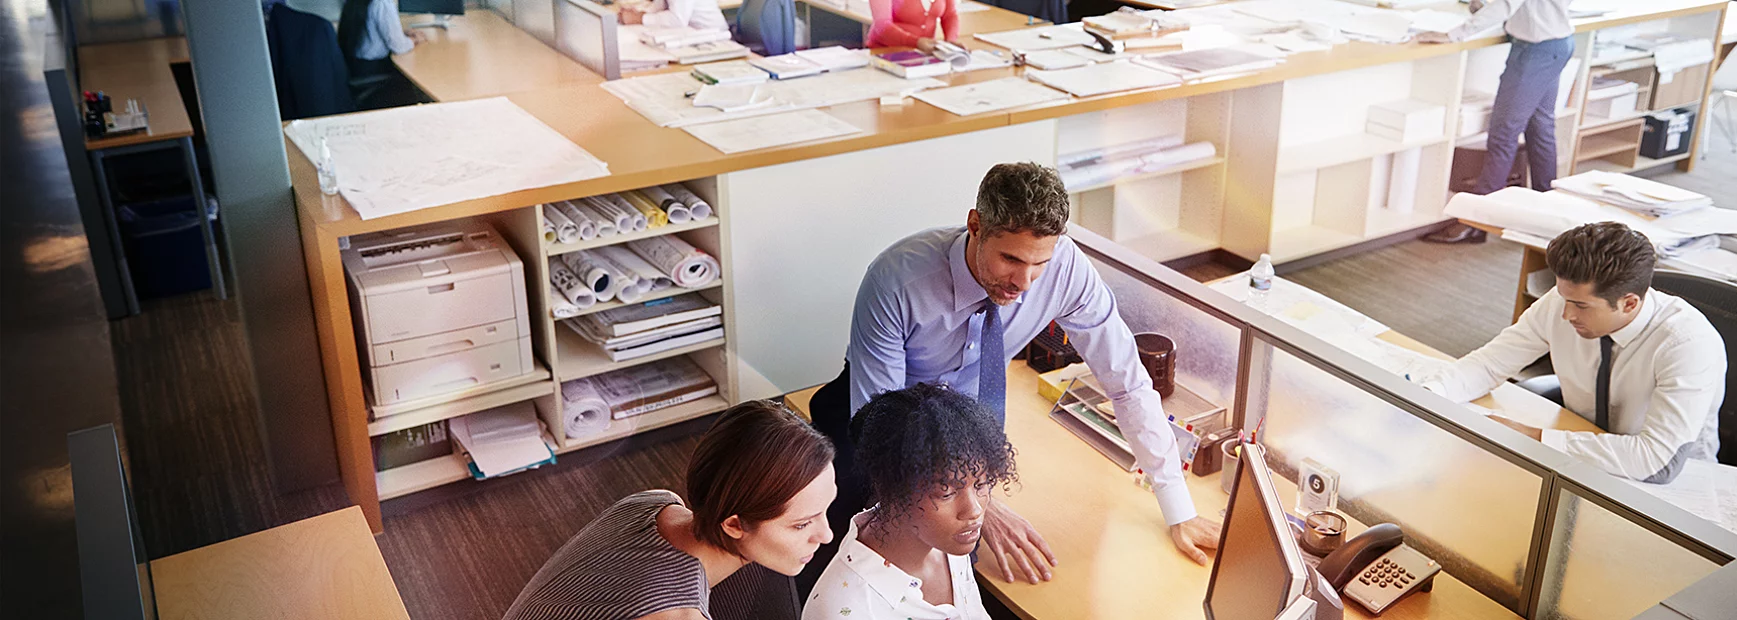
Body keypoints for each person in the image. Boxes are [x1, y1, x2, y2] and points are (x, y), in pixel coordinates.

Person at [801, 162, 1221, 597]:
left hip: (966, 416)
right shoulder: (897, 280)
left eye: (1040, 263)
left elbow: (1128, 383)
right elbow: (881, 429)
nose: (1024, 282)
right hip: (880, 413)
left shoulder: (1066, 270)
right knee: (855, 533)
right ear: (975, 225)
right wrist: (981, 503)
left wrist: (1178, 507)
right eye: (1010, 259)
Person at [1418, 222, 1727, 483]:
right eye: (1564, 298)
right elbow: (1489, 364)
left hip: (1667, 488)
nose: (1565, 315)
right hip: (1578, 456)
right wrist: (1430, 395)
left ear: (1629, 303)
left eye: (1580, 305)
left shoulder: (1686, 344)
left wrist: (1533, 437)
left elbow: (1656, 462)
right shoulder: (1564, 302)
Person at [503, 401, 838, 620]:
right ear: (734, 524)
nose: (826, 535)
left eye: (826, 510)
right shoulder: (675, 615)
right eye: (801, 525)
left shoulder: (654, 502)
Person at [803, 383, 1015, 620]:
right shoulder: (849, 611)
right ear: (892, 489)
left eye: (981, 484)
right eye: (945, 493)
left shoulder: (946, 542)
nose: (974, 511)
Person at [1415, 0, 1575, 244]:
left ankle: (1475, 222)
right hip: (1555, 44)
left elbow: (1505, 6)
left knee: (1504, 134)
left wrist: (1453, 34)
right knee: (1540, 129)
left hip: (1536, 51)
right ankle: (1548, 216)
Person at [337, 0, 425, 78]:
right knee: (413, 71)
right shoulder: (383, 3)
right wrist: (415, 39)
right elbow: (399, 47)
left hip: (355, 66)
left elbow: (371, 29)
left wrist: (401, 33)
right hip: (373, 69)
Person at [865, 0, 957, 49]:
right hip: (885, 52)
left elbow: (950, 15)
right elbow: (882, 26)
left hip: (924, 54)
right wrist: (916, 42)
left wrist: (950, 43)